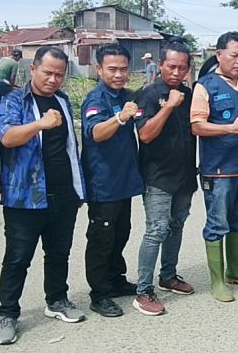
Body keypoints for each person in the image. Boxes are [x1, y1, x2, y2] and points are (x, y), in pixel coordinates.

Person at [0, 47, 86, 345]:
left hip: (63, 192)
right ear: (32, 69)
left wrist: (77, 189)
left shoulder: (62, 100)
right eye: (48, 72)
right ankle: (8, 314)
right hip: (25, 196)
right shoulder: (13, 100)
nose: (53, 79)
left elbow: (70, 146)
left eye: (59, 74)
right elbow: (7, 137)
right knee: (17, 258)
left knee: (59, 253)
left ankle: (57, 300)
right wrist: (40, 124)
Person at [190, 31, 238, 302]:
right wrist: (230, 128)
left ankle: (236, 270)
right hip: (218, 170)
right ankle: (217, 281)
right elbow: (197, 126)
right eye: (234, 55)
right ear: (219, 55)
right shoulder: (205, 86)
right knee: (217, 223)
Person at [133, 42, 198, 316]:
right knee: (156, 230)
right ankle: (143, 291)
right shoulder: (147, 94)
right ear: (160, 65)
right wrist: (169, 106)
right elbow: (145, 135)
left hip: (184, 174)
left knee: (176, 226)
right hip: (158, 176)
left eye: (182, 68)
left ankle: (168, 276)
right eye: (171, 66)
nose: (176, 72)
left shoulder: (189, 94)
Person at [81, 43, 145, 317]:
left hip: (124, 181)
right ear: (99, 69)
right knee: (101, 239)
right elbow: (96, 133)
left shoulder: (126, 95)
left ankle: (116, 279)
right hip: (103, 184)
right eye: (112, 69)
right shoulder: (96, 99)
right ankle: (99, 294)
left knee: (121, 232)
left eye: (123, 69)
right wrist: (120, 117)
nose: (119, 74)